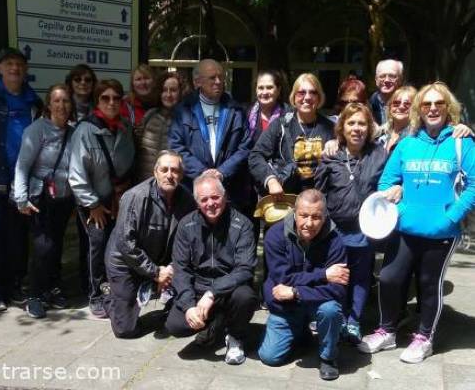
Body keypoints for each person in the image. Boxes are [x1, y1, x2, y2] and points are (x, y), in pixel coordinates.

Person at [358, 82, 475, 363]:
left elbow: (473, 186)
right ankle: (386, 331)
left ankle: (424, 337)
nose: (432, 108)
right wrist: (393, 193)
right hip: (405, 227)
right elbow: (387, 180)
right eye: (426, 104)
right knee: (388, 278)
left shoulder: (462, 142)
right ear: (418, 110)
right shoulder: (408, 143)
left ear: (449, 108)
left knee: (428, 283)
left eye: (439, 104)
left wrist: (450, 217)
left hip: (441, 232)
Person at [0, 47, 42, 311]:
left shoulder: (34, 102)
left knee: (17, 240)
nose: (14, 68)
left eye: (19, 64)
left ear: (25, 70)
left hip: (21, 186)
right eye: (9, 64)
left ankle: (14, 287)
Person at [165, 173, 258, 365]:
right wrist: (189, 305)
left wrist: (212, 293)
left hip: (231, 288)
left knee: (245, 297)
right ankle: (217, 322)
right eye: (204, 199)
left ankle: (235, 337)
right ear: (197, 202)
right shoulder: (186, 225)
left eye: (215, 197)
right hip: (199, 286)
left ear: (224, 197)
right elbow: (181, 269)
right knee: (175, 325)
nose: (211, 203)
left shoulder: (243, 225)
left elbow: (245, 269)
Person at [257, 189, 348, 381]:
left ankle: (328, 357)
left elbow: (337, 289)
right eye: (304, 215)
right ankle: (300, 332)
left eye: (316, 217)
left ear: (324, 216)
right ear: (294, 213)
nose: (309, 223)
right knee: (269, 357)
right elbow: (283, 278)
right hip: (285, 305)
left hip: (312, 302)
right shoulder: (275, 234)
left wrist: (297, 292)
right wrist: (324, 275)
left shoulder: (335, 241)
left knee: (331, 309)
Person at [315, 103, 387, 343]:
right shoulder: (331, 154)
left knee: (361, 276)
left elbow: (386, 186)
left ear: (369, 128)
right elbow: (320, 191)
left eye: (362, 123)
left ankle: (354, 320)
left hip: (366, 229)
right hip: (335, 231)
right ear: (342, 128)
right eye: (351, 123)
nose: (357, 128)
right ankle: (335, 316)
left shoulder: (379, 154)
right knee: (337, 275)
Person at [104, 150, 195, 338]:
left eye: (175, 170)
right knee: (126, 330)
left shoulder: (187, 199)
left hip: (159, 260)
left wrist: (171, 268)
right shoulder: (135, 197)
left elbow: (189, 239)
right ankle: (112, 296)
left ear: (182, 175)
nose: (169, 175)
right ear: (155, 172)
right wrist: (155, 272)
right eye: (164, 170)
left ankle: (158, 295)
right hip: (125, 262)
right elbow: (125, 243)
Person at [69, 79, 135, 318]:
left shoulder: (125, 128)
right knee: (96, 246)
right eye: (105, 98)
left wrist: (122, 189)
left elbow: (128, 163)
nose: (111, 102)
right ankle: (95, 293)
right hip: (93, 201)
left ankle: (112, 289)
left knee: (114, 245)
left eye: (116, 98)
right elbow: (76, 174)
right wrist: (93, 205)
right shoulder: (85, 131)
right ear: (97, 101)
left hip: (116, 199)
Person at [12, 84, 75, 318]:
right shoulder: (36, 130)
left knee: (56, 245)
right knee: (42, 247)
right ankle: (35, 294)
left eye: (66, 101)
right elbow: (22, 166)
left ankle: (52, 287)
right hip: (39, 198)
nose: (61, 106)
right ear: (49, 104)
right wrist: (21, 198)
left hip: (63, 198)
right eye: (57, 101)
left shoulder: (73, 130)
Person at [168, 59, 250, 210]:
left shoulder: (236, 110)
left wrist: (222, 172)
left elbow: (245, 147)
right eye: (212, 77)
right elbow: (176, 147)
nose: (218, 82)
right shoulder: (183, 110)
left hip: (229, 191)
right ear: (197, 82)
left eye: (221, 77)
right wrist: (202, 172)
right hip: (192, 192)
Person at [248, 73, 334, 196]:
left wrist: (336, 143)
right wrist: (271, 180)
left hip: (318, 200)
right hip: (286, 198)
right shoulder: (281, 125)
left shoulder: (330, 128)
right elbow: (255, 156)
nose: (307, 97)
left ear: (319, 98)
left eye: (313, 92)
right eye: (301, 93)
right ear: (294, 97)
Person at [65, 64, 97, 294]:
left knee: (88, 237)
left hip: (89, 182)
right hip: (60, 183)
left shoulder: (99, 108)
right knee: (53, 238)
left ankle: (87, 283)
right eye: (77, 79)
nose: (83, 83)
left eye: (87, 79)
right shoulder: (62, 107)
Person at [133, 72, 188, 183]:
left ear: (181, 93)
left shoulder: (187, 121)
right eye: (164, 90)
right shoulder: (149, 115)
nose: (168, 95)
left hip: (171, 186)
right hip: (143, 184)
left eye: (173, 90)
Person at [248, 70, 288, 144]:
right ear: (256, 90)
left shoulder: (288, 116)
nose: (264, 92)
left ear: (278, 90)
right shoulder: (247, 114)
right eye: (260, 88)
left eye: (269, 87)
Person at [369, 59, 403, 125]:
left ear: (400, 79)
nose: (387, 80)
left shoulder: (410, 104)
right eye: (382, 76)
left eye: (392, 76)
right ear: (376, 80)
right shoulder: (369, 104)